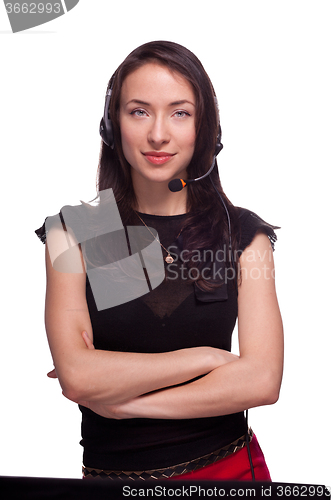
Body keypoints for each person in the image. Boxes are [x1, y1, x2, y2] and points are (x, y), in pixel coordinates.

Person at [36, 40, 283, 481]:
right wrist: (209, 359)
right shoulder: (77, 233)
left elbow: (262, 381)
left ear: (205, 128)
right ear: (112, 126)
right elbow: (77, 377)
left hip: (226, 475)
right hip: (111, 486)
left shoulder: (242, 236)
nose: (158, 134)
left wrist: (126, 404)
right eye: (139, 111)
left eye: (180, 112)